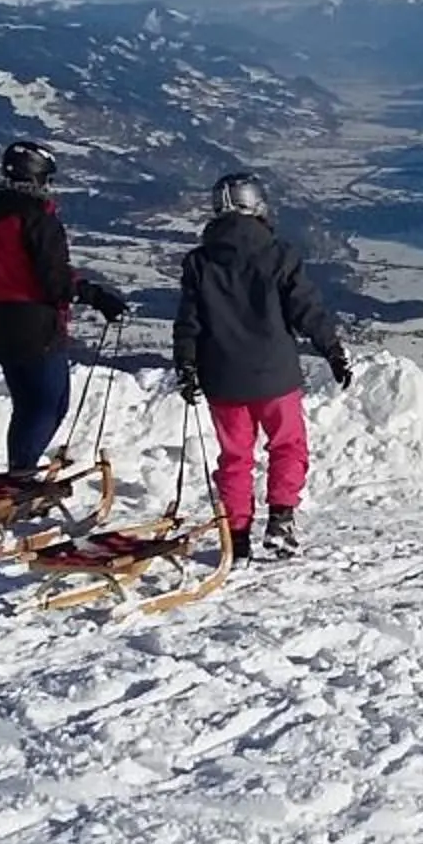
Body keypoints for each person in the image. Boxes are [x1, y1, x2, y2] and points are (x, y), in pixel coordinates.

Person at [172, 170, 349, 560]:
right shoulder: (279, 254)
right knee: (288, 446)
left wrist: (186, 365)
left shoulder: (199, 262)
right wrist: (332, 350)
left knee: (235, 458)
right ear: (258, 206)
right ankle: (281, 520)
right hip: (276, 377)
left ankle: (236, 539)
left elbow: (189, 322)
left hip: (223, 380)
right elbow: (306, 309)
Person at [0, 140, 130, 476]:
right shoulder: (39, 221)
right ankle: (21, 477)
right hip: (36, 325)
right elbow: (55, 281)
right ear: (37, 178)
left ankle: (19, 469)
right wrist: (96, 296)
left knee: (25, 406)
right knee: (50, 405)